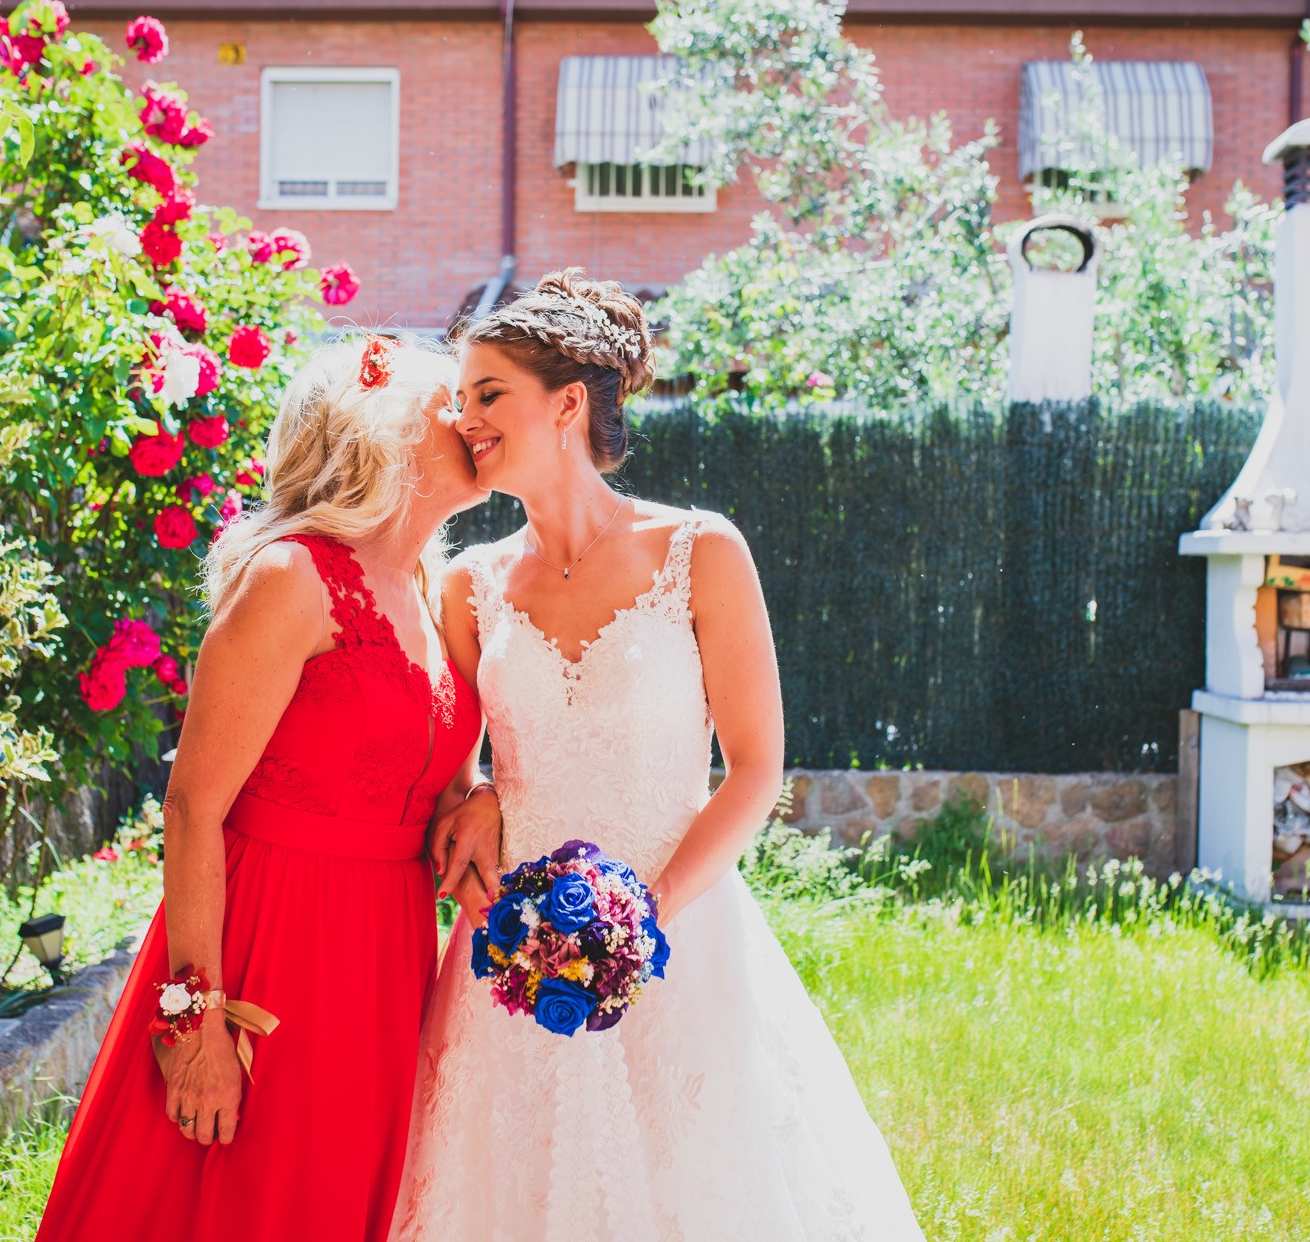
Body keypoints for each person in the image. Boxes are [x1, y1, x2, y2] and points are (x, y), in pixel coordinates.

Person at [395, 271, 924, 1240]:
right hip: (516, 951)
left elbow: (757, 768)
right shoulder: (467, 588)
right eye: (459, 398)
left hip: (681, 930)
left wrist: (640, 915)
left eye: (485, 395)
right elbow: (450, 758)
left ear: (565, 406)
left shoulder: (698, 550)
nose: (461, 417)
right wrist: (471, 795)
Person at [38, 338, 489, 1242]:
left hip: (388, 950)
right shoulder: (293, 577)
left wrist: (479, 796)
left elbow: (434, 775)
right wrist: (192, 1023)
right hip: (271, 940)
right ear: (386, 430)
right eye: (458, 403)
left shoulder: (437, 590)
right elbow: (190, 806)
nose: (478, 421)